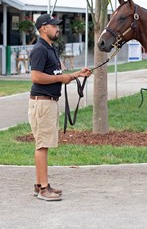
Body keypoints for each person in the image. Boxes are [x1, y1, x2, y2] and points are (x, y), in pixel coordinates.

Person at [28, 14, 92, 201]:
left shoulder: (50, 49)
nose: (58, 28)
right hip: (42, 102)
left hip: (48, 102)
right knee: (42, 146)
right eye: (54, 26)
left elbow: (58, 74)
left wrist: (76, 74)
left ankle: (40, 184)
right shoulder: (40, 49)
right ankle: (43, 189)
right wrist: (60, 79)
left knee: (43, 144)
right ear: (43, 28)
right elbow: (36, 77)